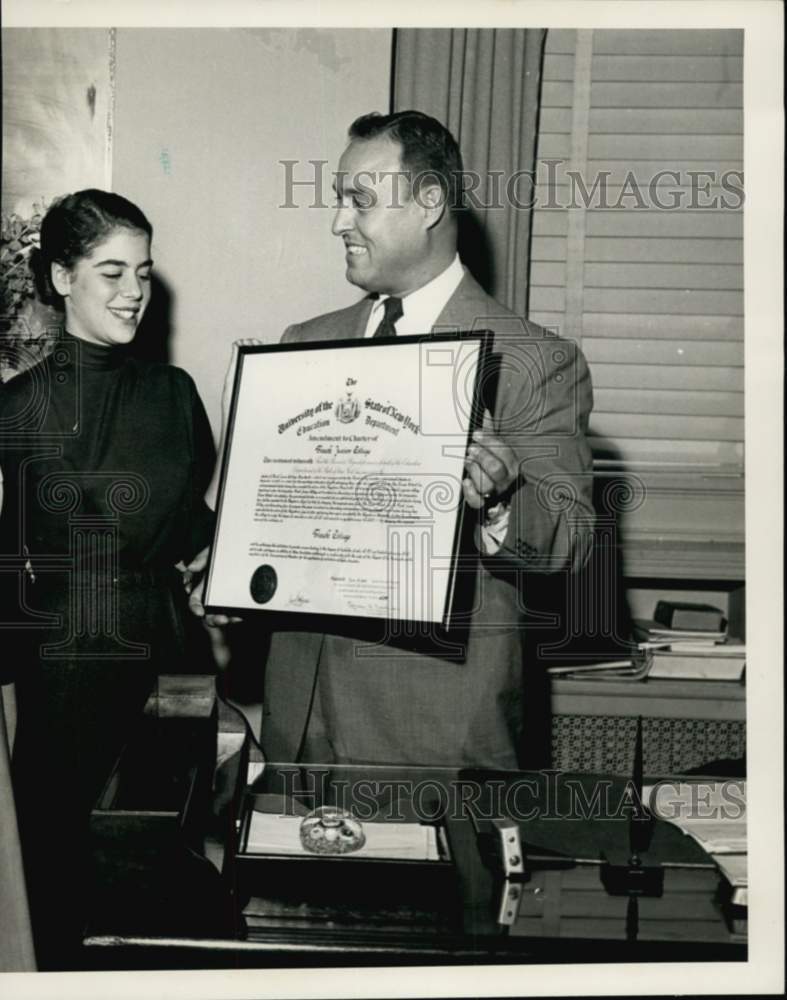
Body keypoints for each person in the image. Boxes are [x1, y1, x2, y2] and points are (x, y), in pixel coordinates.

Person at [196, 110, 595, 770]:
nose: (337, 222)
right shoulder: (301, 344)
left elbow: (572, 544)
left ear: (428, 202)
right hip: (298, 722)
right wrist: (233, 576)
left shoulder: (532, 358)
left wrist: (499, 501)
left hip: (434, 732)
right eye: (336, 201)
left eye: (359, 201)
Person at [0, 189, 216, 968]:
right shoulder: (15, 411)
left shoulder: (175, 395)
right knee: (59, 881)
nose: (133, 292)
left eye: (145, 273)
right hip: (66, 676)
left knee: (166, 877)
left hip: (176, 668)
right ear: (61, 278)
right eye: (110, 271)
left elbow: (195, 529)